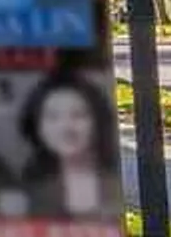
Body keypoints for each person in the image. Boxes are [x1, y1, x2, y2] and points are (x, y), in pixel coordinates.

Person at [26, 65, 120, 220]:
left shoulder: (113, 177)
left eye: (78, 115)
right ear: (37, 125)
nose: (66, 127)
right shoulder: (28, 188)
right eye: (53, 117)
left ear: (97, 118)